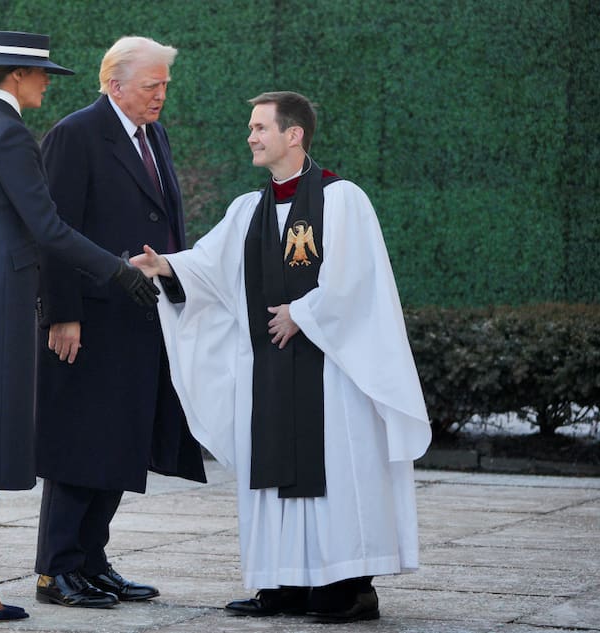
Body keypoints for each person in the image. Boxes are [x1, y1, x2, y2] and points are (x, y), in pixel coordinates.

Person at [131, 91, 432, 622]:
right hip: (268, 372)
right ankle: (284, 581)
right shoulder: (248, 209)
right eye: (251, 128)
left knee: (335, 472)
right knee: (272, 473)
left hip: (330, 375)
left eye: (260, 128)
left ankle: (348, 587)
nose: (250, 136)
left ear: (293, 135)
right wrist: (168, 268)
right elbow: (210, 267)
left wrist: (303, 313)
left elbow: (356, 281)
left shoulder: (342, 200)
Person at [0, 31, 158, 623]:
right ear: (16, 76)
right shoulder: (8, 134)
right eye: (42, 75)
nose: (47, 84)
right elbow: (49, 227)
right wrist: (116, 271)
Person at [32, 35, 207, 609]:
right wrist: (63, 314)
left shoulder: (154, 134)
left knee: (120, 442)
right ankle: (57, 570)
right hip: (89, 319)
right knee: (80, 443)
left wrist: (176, 286)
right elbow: (54, 232)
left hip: (140, 315)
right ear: (115, 85)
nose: (161, 95)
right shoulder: (75, 135)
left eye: (165, 86)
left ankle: (92, 561)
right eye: (152, 85)